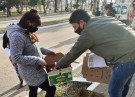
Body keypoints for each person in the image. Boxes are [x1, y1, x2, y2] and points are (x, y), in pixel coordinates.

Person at [55, 9, 135, 97]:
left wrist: (58, 66)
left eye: (75, 26)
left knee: (113, 90)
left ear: (81, 22)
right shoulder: (102, 18)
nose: (74, 30)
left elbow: (73, 53)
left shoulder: (88, 32)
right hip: (131, 53)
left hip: (126, 60)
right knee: (124, 85)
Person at [7, 9, 56, 97]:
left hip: (33, 71)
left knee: (33, 90)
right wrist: (38, 60)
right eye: (35, 25)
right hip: (31, 73)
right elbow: (16, 57)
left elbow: (34, 49)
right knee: (51, 88)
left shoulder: (26, 31)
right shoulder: (17, 36)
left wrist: (48, 52)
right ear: (28, 22)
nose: (36, 28)